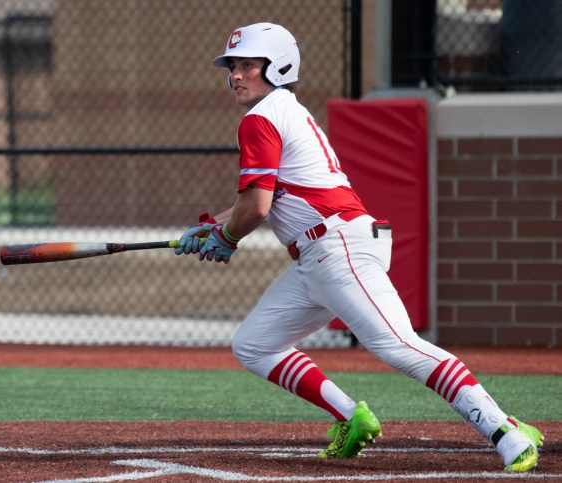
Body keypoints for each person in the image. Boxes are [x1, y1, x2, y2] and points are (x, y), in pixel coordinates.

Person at [174, 22, 543, 471]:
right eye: (233, 67)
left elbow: (258, 204)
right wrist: (214, 225)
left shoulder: (260, 118)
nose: (236, 75)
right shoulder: (282, 110)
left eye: (248, 66)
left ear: (278, 68)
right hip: (319, 254)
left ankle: (504, 431)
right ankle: (352, 417)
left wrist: (228, 237)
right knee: (254, 345)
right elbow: (267, 198)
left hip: (336, 247)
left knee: (398, 346)